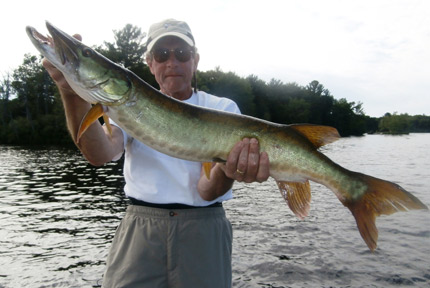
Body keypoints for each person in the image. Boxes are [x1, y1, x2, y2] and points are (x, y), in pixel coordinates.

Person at [43, 18, 270, 288]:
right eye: (162, 55)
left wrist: (229, 170)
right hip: (140, 230)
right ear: (150, 63)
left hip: (203, 229)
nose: (172, 62)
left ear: (195, 60)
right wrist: (69, 91)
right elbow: (99, 153)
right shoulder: (124, 102)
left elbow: (207, 190)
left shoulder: (221, 108)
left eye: (182, 54)